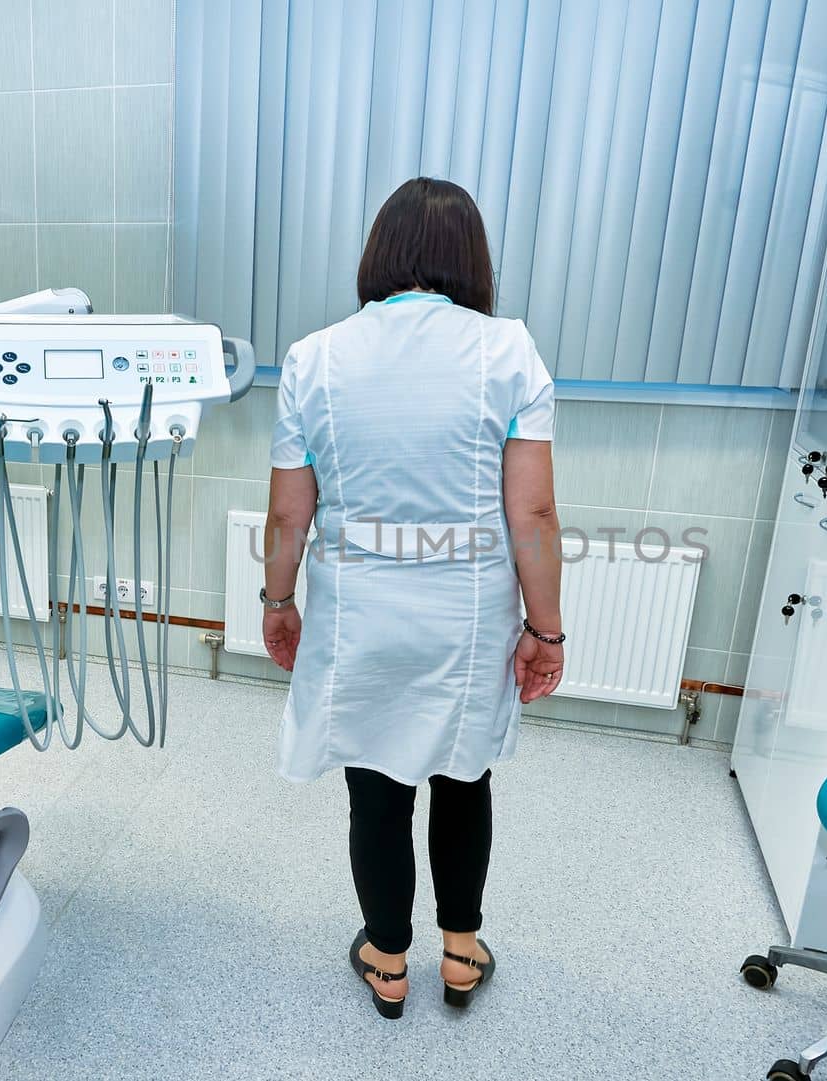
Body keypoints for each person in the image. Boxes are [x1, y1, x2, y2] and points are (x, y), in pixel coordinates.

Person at [260, 177, 564, 1019]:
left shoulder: (315, 357)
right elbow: (531, 512)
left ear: (379, 253)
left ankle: (387, 961)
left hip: (361, 615)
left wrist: (276, 601)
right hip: (465, 619)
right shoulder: (508, 352)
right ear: (472, 260)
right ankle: (461, 955)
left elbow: (291, 509)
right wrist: (547, 629)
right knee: (464, 779)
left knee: (378, 789)